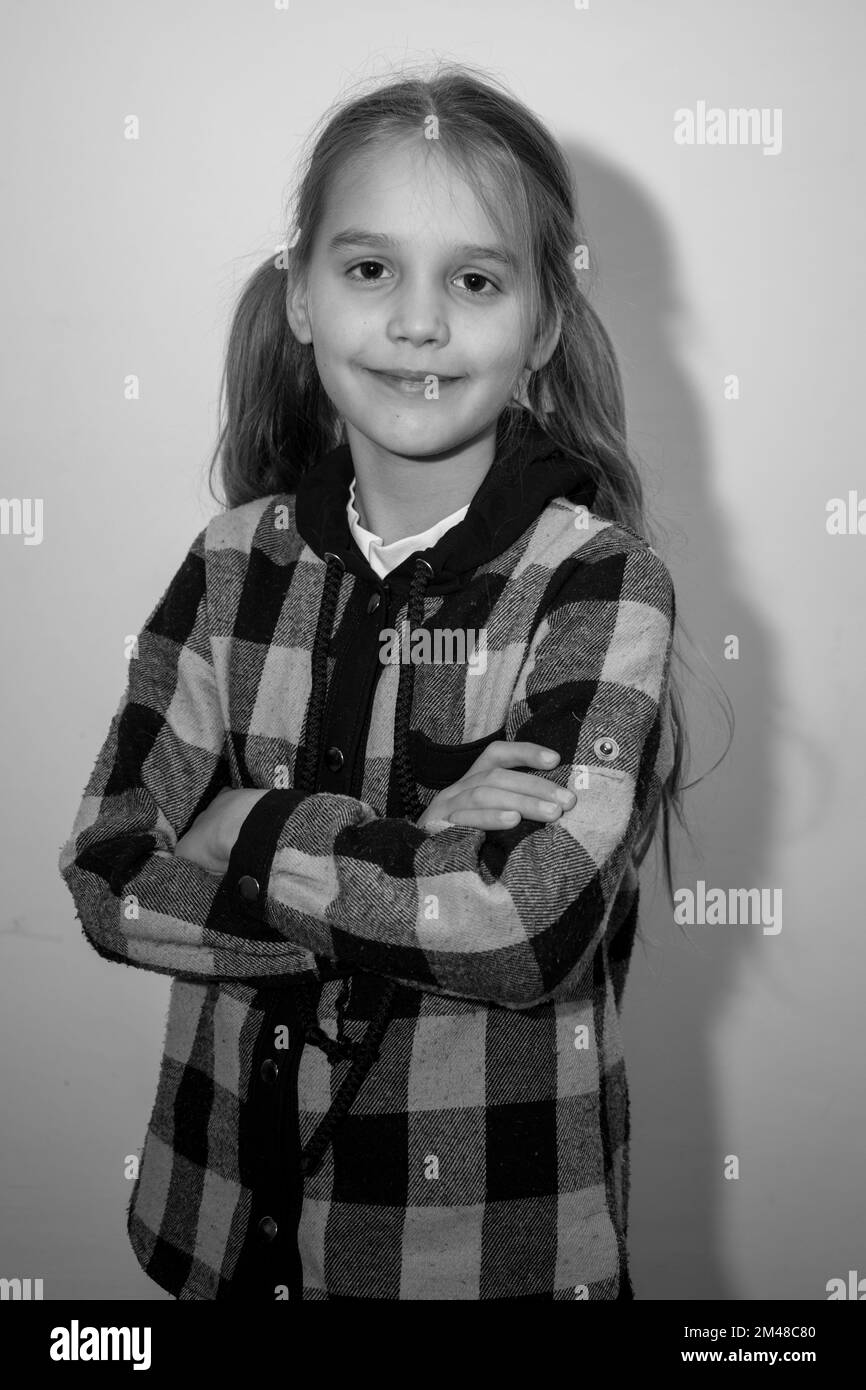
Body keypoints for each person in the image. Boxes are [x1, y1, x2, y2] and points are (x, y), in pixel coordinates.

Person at [58, 61, 693, 1301]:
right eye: (367, 270)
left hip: (481, 1261)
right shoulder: (234, 560)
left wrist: (247, 823)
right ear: (298, 295)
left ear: (543, 323)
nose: (416, 323)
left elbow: (524, 926)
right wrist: (415, 853)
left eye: (472, 279)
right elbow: (107, 872)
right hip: (219, 1232)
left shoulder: (598, 586)